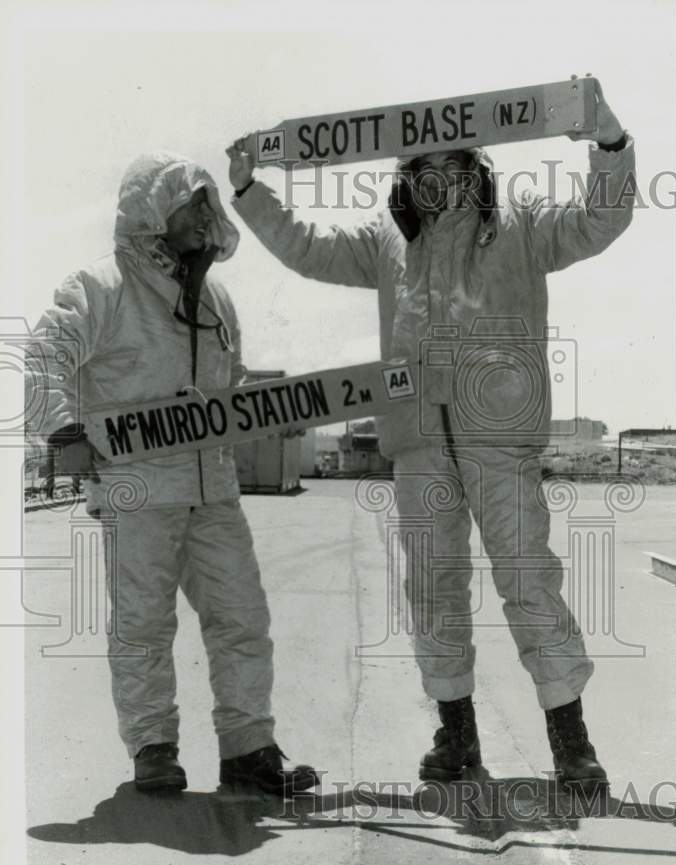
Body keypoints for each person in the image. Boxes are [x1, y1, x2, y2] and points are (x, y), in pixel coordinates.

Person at [227, 77, 635, 794]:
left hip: (499, 440)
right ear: (404, 181)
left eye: (448, 168)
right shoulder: (386, 242)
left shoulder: (525, 223)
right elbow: (307, 249)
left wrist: (610, 144)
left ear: (475, 169)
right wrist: (251, 193)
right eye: (418, 172)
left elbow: (599, 222)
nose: (434, 183)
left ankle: (572, 742)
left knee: (529, 583)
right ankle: (458, 737)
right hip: (418, 445)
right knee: (433, 590)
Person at [27, 152, 318, 796]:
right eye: (192, 204)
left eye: (210, 205)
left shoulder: (214, 299)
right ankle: (153, 746)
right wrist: (63, 430)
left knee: (242, 618)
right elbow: (41, 357)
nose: (205, 218)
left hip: (213, 491)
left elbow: (231, 383)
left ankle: (248, 748)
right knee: (144, 625)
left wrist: (257, 413)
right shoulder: (100, 288)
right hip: (137, 490)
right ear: (153, 210)